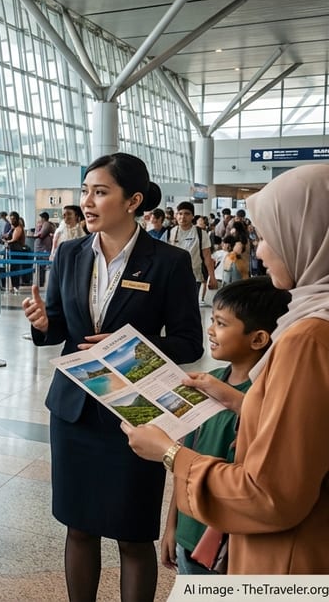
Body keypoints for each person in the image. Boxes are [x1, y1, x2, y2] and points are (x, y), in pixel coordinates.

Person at [123, 164, 329, 575]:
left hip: (285, 563)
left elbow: (268, 495)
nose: (262, 251)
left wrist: (169, 453)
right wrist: (239, 400)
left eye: (269, 237)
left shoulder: (308, 337)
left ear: (308, 236)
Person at [21, 153, 203, 601]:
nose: (87, 201)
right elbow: (62, 326)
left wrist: (127, 348)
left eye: (100, 192)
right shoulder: (69, 252)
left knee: (132, 533)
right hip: (74, 410)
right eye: (85, 191)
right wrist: (44, 324)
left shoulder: (168, 261)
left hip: (135, 416)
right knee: (78, 527)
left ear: (133, 200)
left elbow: (188, 342)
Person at [156, 278, 289, 575]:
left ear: (258, 339)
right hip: (189, 533)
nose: (211, 330)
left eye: (221, 323)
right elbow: (184, 459)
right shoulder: (208, 382)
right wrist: (172, 527)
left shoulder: (267, 399)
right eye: (212, 319)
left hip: (230, 545)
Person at [167, 201, 218, 304]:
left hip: (194, 277)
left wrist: (212, 277)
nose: (183, 217)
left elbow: (207, 257)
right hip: (174, 276)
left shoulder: (201, 233)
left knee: (190, 304)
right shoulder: (171, 232)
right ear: (176, 216)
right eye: (180, 213)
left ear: (192, 216)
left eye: (187, 213)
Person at [4, 211, 28, 289]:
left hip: (17, 250)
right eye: (10, 219)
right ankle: (13, 285)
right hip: (12, 250)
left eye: (13, 219)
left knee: (15, 268)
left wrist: (7, 241)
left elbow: (14, 239)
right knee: (12, 268)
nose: (11, 220)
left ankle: (15, 286)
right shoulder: (12, 228)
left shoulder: (18, 228)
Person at [33, 211, 55, 286]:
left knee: (42, 266)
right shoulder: (44, 224)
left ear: (43, 218)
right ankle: (40, 282)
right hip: (40, 249)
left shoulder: (46, 224)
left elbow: (41, 235)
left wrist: (34, 235)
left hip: (43, 249)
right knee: (40, 267)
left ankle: (41, 283)